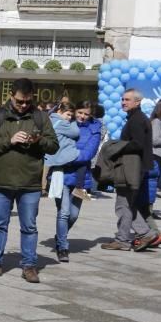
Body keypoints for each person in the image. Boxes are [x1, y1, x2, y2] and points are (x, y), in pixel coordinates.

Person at [0, 78, 58, 282]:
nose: (23, 105)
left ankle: (29, 265)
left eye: (27, 101)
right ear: (11, 96)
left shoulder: (40, 116)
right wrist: (9, 141)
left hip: (29, 182)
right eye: (19, 101)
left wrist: (39, 141)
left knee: (29, 226)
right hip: (1, 180)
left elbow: (54, 145)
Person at [102, 89, 158, 251]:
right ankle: (127, 238)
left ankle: (138, 235)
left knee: (122, 205)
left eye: (127, 100)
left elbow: (137, 144)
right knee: (126, 204)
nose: (123, 102)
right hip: (135, 167)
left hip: (132, 167)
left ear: (138, 102)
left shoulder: (136, 120)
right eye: (122, 99)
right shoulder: (137, 118)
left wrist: (117, 147)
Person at [50, 101, 101, 262]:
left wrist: (68, 158)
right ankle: (63, 247)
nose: (82, 117)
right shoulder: (66, 122)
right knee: (64, 212)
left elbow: (89, 152)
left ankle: (60, 235)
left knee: (73, 214)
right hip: (61, 173)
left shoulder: (95, 129)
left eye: (86, 114)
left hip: (81, 176)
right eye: (80, 112)